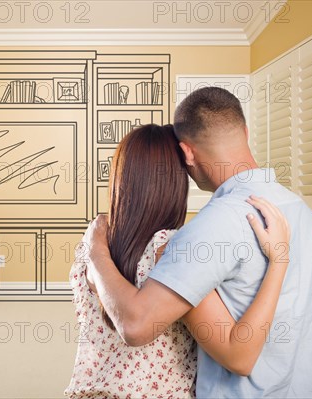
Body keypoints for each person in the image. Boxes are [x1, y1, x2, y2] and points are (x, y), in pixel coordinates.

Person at [83, 87, 312, 398]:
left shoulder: (213, 225)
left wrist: (95, 251)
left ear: (186, 153)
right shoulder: (302, 212)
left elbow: (135, 326)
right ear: (244, 131)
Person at [65, 124, 291, 398]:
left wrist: (95, 251)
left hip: (91, 391)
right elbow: (239, 355)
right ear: (175, 182)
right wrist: (279, 259)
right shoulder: (170, 250)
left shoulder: (92, 244)